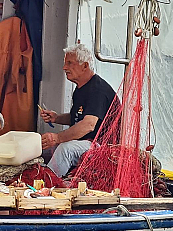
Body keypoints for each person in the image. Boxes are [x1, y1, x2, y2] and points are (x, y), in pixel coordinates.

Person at [40, 44, 116, 177]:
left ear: (85, 66)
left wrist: (58, 137)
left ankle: (47, 184)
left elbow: (88, 125)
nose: (64, 68)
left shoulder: (98, 90)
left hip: (103, 146)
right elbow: (78, 117)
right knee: (42, 150)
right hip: (84, 142)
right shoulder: (80, 88)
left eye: (69, 63)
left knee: (65, 149)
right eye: (65, 63)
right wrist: (56, 118)